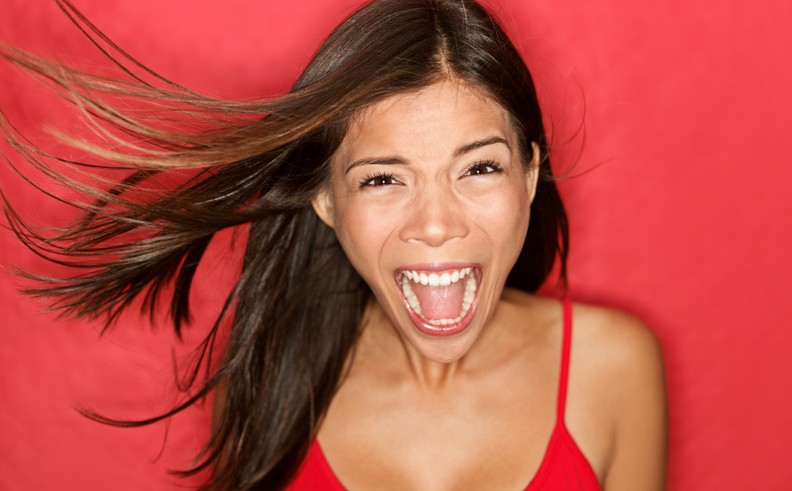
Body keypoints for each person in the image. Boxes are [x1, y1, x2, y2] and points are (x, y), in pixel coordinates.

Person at [1, 0, 667, 489]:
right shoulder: (276, 376)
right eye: (382, 178)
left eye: (479, 167)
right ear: (326, 199)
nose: (434, 223)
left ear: (528, 173)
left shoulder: (611, 366)